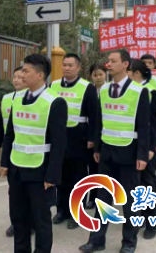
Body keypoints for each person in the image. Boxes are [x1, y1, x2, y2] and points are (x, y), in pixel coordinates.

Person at [80, 49, 150, 253]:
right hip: (107, 152)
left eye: (113, 61)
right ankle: (96, 240)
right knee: (103, 198)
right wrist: (98, 147)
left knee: (129, 200)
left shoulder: (139, 91)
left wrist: (142, 155)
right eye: (108, 61)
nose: (108, 64)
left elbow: (144, 126)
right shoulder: (104, 90)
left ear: (125, 64)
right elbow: (99, 121)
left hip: (130, 152)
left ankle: (129, 242)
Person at [0, 54, 67, 253]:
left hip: (40, 171)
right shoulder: (17, 99)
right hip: (17, 169)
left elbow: (59, 143)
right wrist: (5, 162)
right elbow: (10, 134)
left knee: (41, 221)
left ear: (40, 75)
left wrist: (52, 176)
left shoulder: (54, 102)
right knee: (18, 219)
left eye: (26, 71)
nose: (21, 74)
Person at [51, 54, 98, 229]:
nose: (66, 68)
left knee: (77, 177)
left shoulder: (87, 87)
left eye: (70, 65)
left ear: (78, 68)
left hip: (79, 137)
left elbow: (95, 115)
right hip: (58, 137)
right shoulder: (54, 85)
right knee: (60, 175)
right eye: (64, 65)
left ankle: (77, 213)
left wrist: (92, 138)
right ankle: (61, 209)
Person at [128, 59, 156, 240]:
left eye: (127, 71)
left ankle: (152, 221)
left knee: (147, 182)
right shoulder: (125, 91)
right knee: (133, 184)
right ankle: (139, 217)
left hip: (145, 146)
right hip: (128, 144)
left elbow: (155, 123)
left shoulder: (151, 92)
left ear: (136, 74)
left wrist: (152, 147)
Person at [0, 66, 26, 237]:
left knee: (27, 190)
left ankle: (30, 221)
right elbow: (1, 124)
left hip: (27, 149)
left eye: (21, 77)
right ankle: (16, 222)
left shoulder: (33, 100)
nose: (17, 80)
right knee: (13, 189)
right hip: (10, 148)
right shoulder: (7, 99)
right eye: (15, 77)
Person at [87, 63, 107, 207]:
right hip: (91, 133)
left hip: (106, 134)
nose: (98, 77)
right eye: (95, 75)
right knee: (93, 168)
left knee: (104, 169)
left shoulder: (110, 90)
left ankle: (104, 197)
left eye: (101, 74)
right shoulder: (89, 90)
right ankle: (93, 197)